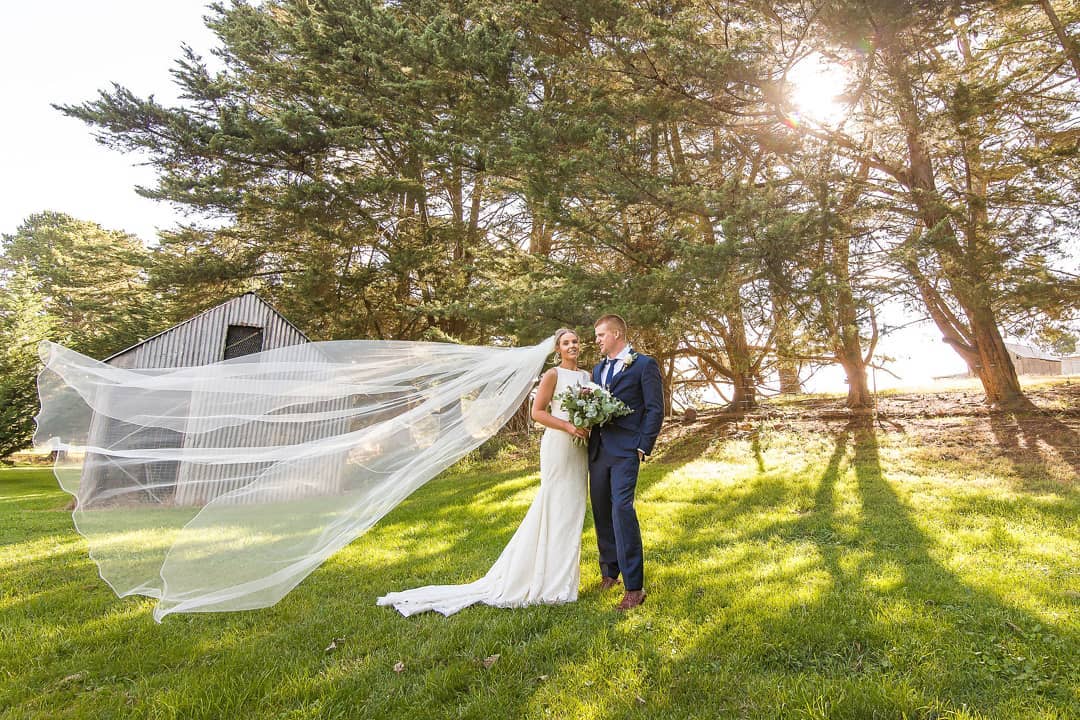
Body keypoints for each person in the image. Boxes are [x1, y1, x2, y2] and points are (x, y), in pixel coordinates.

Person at [377, 329, 590, 616]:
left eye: (575, 341)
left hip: (580, 447)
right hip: (559, 445)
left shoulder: (588, 377)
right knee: (554, 505)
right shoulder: (552, 375)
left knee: (573, 509)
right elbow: (537, 412)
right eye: (566, 343)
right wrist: (567, 426)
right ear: (557, 349)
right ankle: (546, 580)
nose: (572, 346)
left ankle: (563, 579)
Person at [588, 314, 664, 611]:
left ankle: (635, 587)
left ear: (617, 334)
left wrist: (643, 447)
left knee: (622, 510)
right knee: (602, 510)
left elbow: (655, 409)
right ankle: (609, 573)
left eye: (600, 335)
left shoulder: (645, 365)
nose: (596, 341)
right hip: (599, 450)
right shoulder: (598, 369)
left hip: (627, 450)